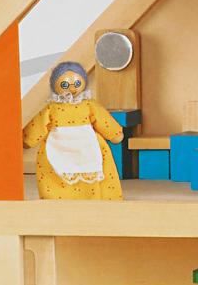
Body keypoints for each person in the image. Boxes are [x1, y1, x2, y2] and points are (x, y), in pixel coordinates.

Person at [21, 61, 125, 200]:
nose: (72, 88)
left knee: (93, 167)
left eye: (76, 83)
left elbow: (103, 119)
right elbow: (40, 124)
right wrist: (28, 139)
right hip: (58, 145)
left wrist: (114, 133)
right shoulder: (52, 108)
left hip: (87, 144)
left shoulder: (89, 105)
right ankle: (57, 196)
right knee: (55, 170)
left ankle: (94, 195)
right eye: (65, 85)